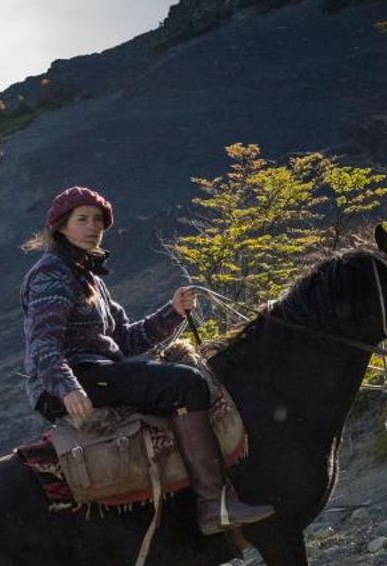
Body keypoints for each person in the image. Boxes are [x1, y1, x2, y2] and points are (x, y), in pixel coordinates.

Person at [21, 186, 272, 534]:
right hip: (72, 381)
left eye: (98, 220)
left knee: (183, 379)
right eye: (82, 220)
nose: (93, 227)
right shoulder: (52, 274)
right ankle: (214, 505)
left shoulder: (89, 276)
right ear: (61, 227)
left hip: (98, 372)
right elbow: (42, 343)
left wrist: (173, 312)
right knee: (187, 384)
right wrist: (67, 387)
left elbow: (124, 339)